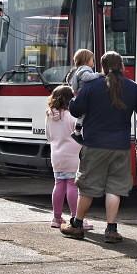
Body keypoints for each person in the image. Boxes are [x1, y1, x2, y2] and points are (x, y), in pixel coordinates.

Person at [61, 51, 137, 244]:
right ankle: (111, 229)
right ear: (122, 67)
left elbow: (75, 110)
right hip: (120, 146)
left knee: (87, 187)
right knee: (115, 188)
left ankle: (77, 225)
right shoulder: (133, 88)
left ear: (102, 67)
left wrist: (73, 98)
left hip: (94, 145)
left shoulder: (92, 86)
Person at [45, 85, 92, 231]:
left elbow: (48, 136)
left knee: (59, 184)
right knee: (72, 185)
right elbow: (81, 133)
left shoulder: (49, 115)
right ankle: (75, 218)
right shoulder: (72, 115)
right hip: (72, 155)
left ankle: (56, 218)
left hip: (56, 155)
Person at [65, 49, 102, 145]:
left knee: (82, 116)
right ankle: (77, 133)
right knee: (85, 114)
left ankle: (77, 133)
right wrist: (99, 75)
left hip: (80, 97)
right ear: (86, 61)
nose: (93, 61)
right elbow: (87, 77)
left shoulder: (77, 70)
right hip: (85, 97)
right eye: (92, 59)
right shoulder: (85, 69)